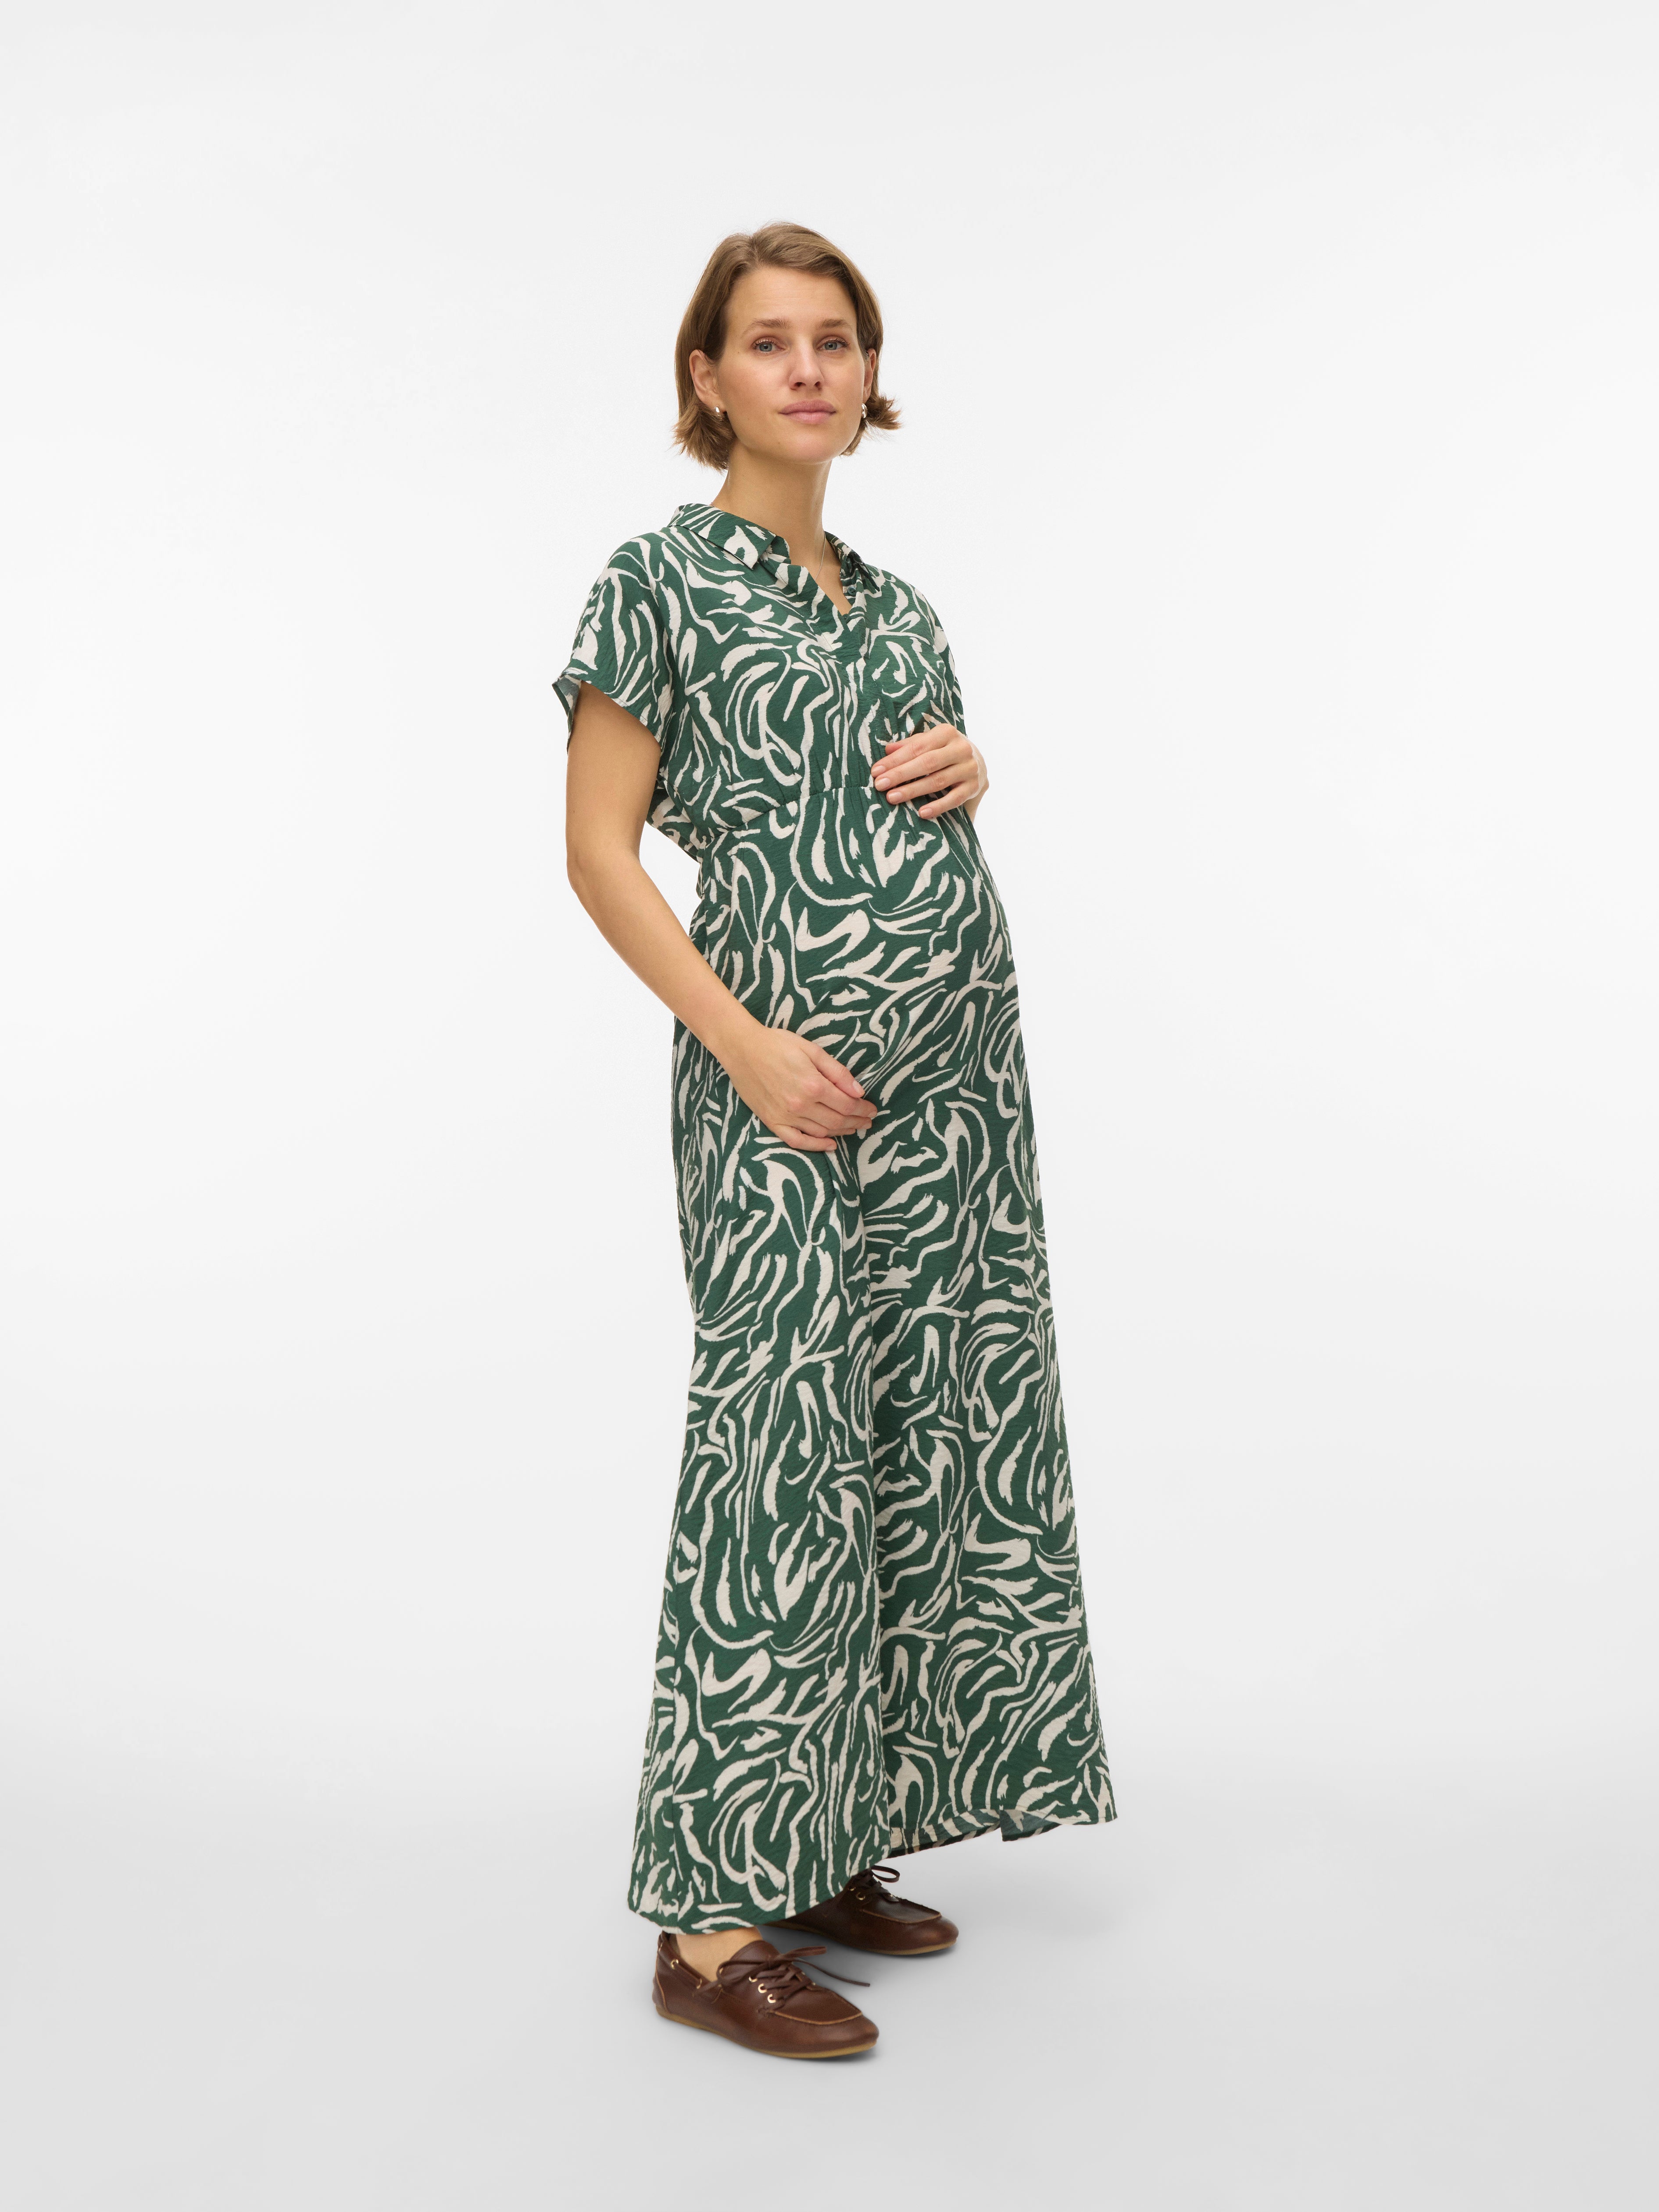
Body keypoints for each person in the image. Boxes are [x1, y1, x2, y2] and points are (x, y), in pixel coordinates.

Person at [558, 222, 1115, 2060]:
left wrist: (973, 767)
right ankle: (709, 1926)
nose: (808, 368)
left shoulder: (901, 606)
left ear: (871, 376)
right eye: (768, 340)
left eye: (837, 339)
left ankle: (823, 1839)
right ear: (706, 378)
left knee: (914, 1435)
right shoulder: (655, 579)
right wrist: (742, 1048)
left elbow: (898, 795)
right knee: (777, 1456)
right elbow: (598, 855)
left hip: (954, 1102)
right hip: (776, 1093)